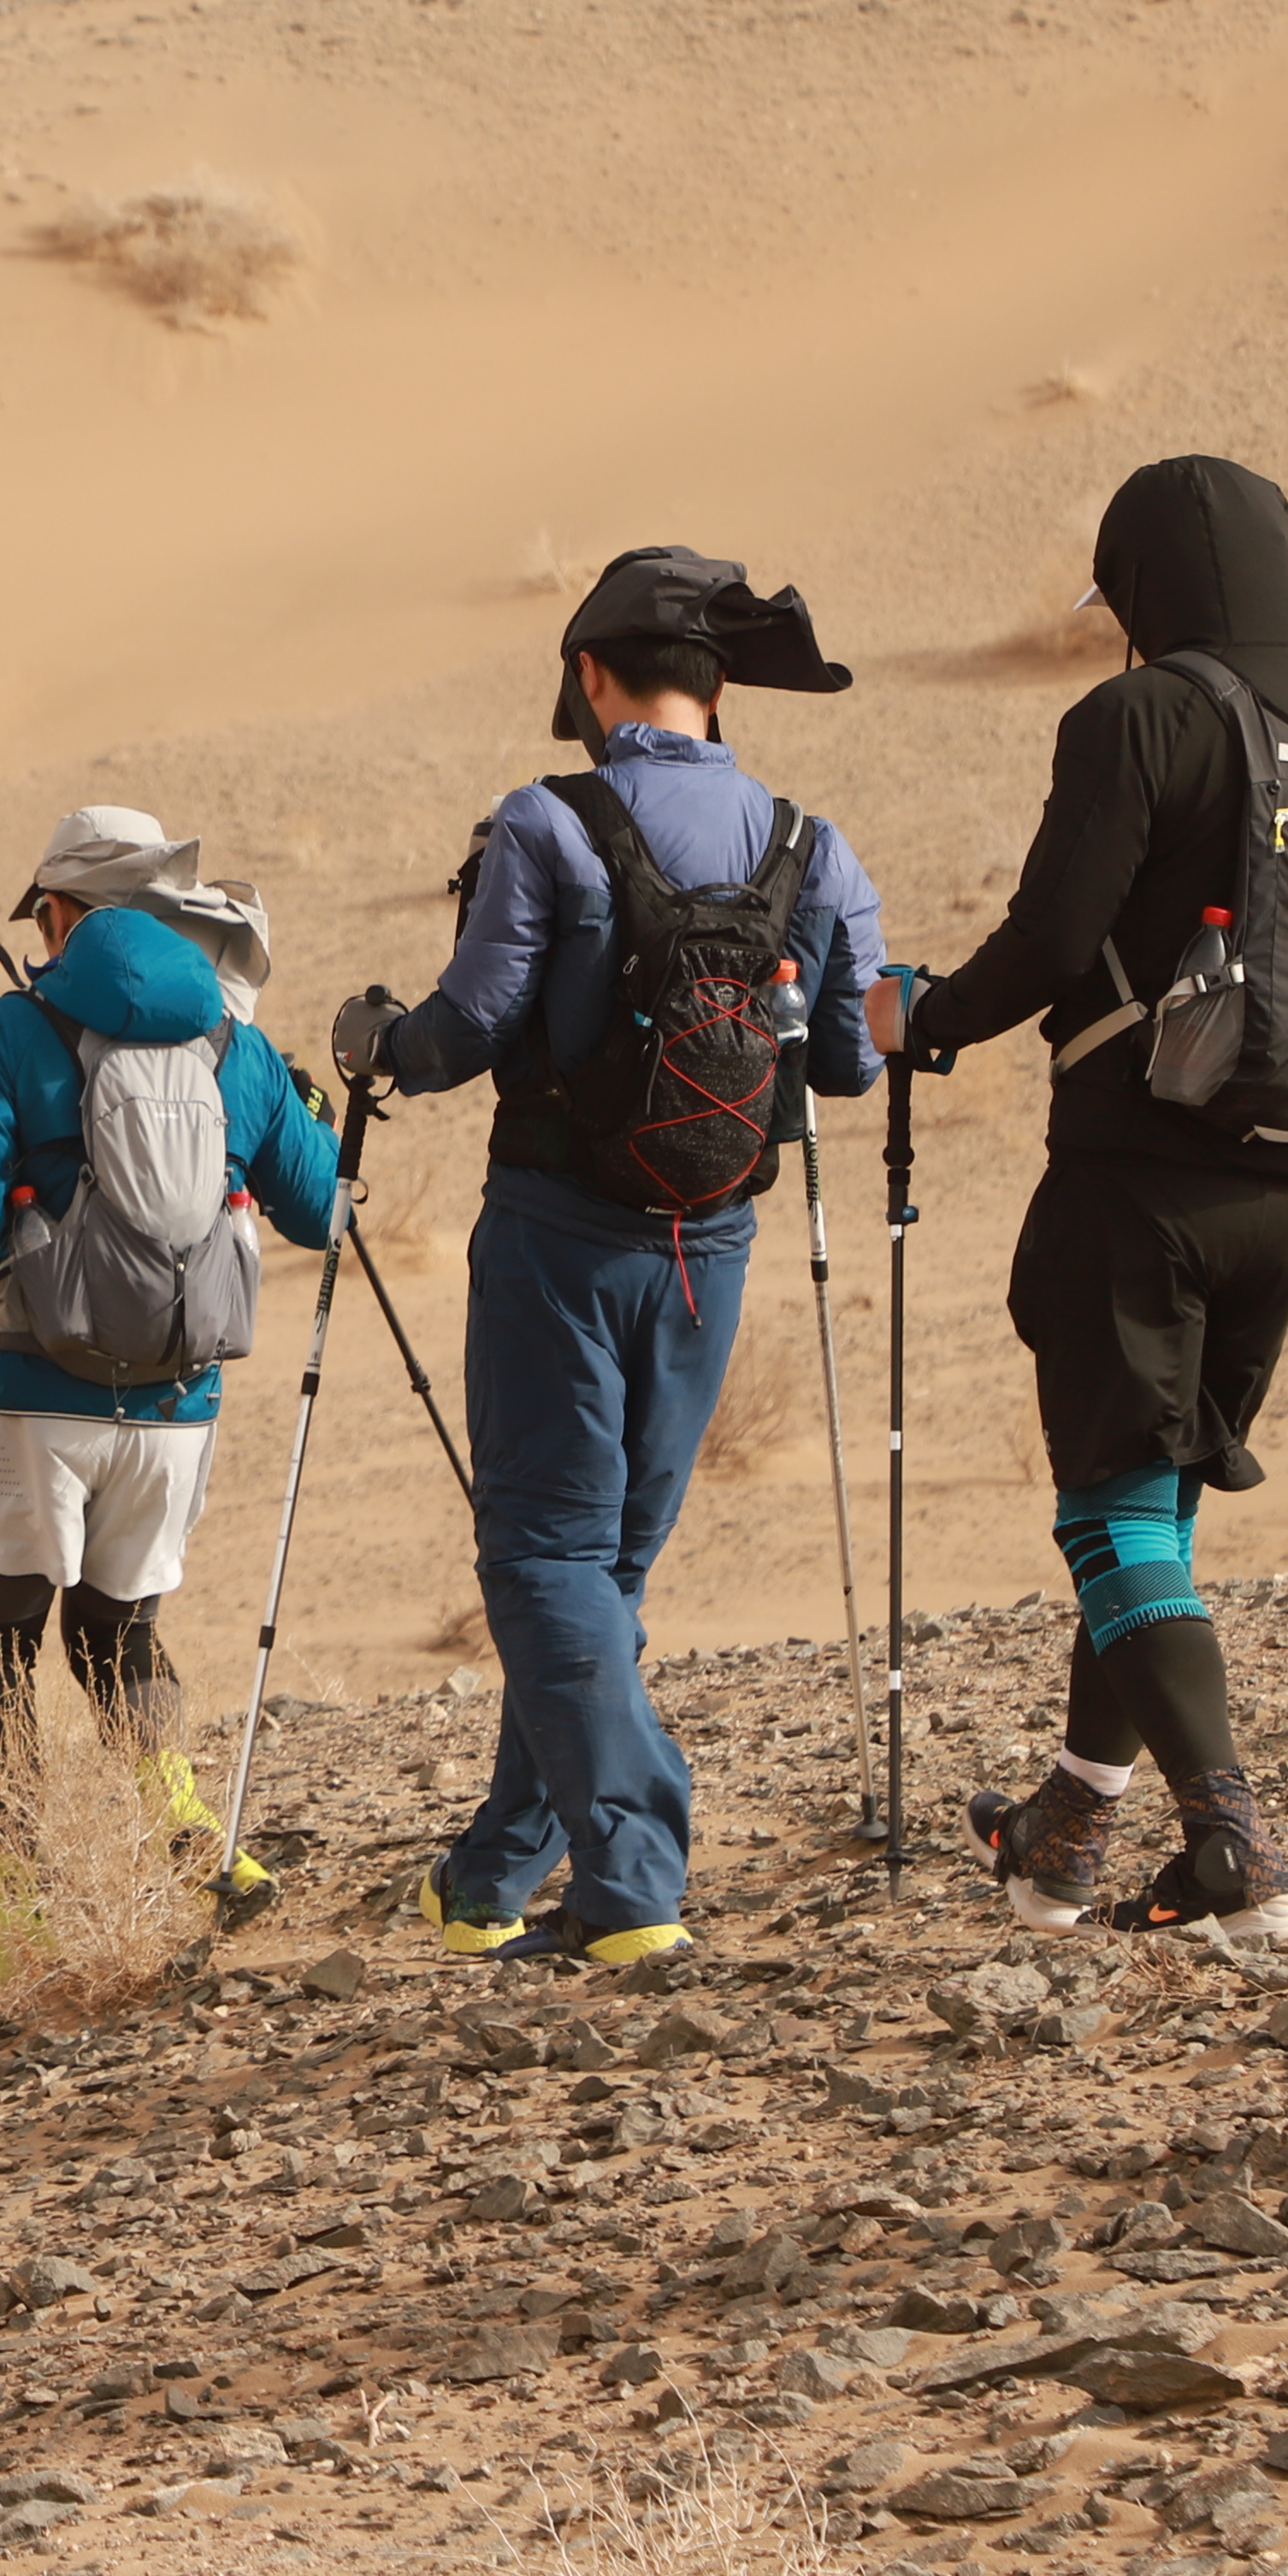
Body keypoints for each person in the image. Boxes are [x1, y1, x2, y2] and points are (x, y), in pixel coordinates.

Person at [908, 457, 1288, 1942]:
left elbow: (1054, 933)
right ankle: (1067, 1831)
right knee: (1155, 1501)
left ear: (1147, 586)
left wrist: (927, 1023)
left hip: (1135, 1180)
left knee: (1112, 1503)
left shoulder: (1139, 715)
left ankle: (1232, 1844)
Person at [330, 549, 889, 1969]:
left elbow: (464, 1037)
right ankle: (489, 1880)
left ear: (592, 676)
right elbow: (846, 1060)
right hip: (715, 1253)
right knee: (603, 1567)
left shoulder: (551, 822)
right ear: (717, 685)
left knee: (542, 1557)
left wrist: (373, 1040)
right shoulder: (809, 844)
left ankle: (633, 1880)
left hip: (559, 1247)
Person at [0, 808, 341, 1988]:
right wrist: (313, 1121)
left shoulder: (10, 1030)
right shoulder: (235, 1045)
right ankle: (192, 1831)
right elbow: (319, 1211)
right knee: (120, 1627)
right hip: (180, 1412)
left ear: (61, 914)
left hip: (38, 1398)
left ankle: (7, 1904)